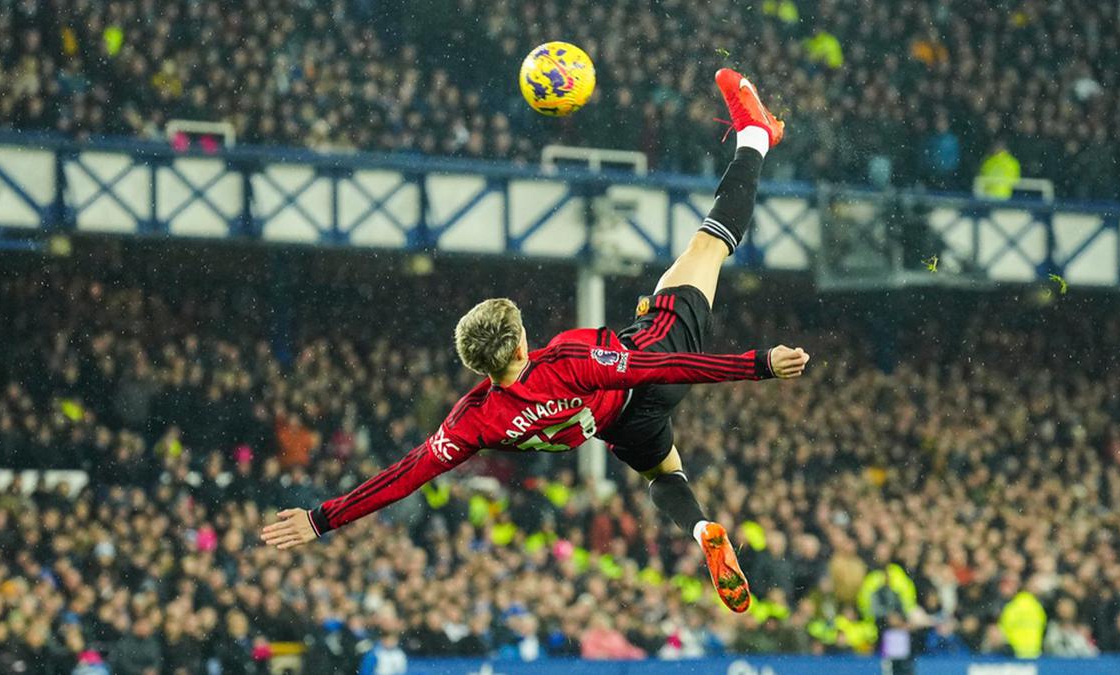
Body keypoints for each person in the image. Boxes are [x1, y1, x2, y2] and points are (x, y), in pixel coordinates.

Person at [261, 68, 810, 613]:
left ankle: (700, 528)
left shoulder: (473, 420)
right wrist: (759, 363)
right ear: (522, 345)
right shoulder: (566, 358)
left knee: (663, 472)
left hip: (620, 428)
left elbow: (403, 476)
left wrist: (321, 519)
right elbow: (653, 371)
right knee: (706, 248)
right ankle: (755, 136)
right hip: (650, 363)